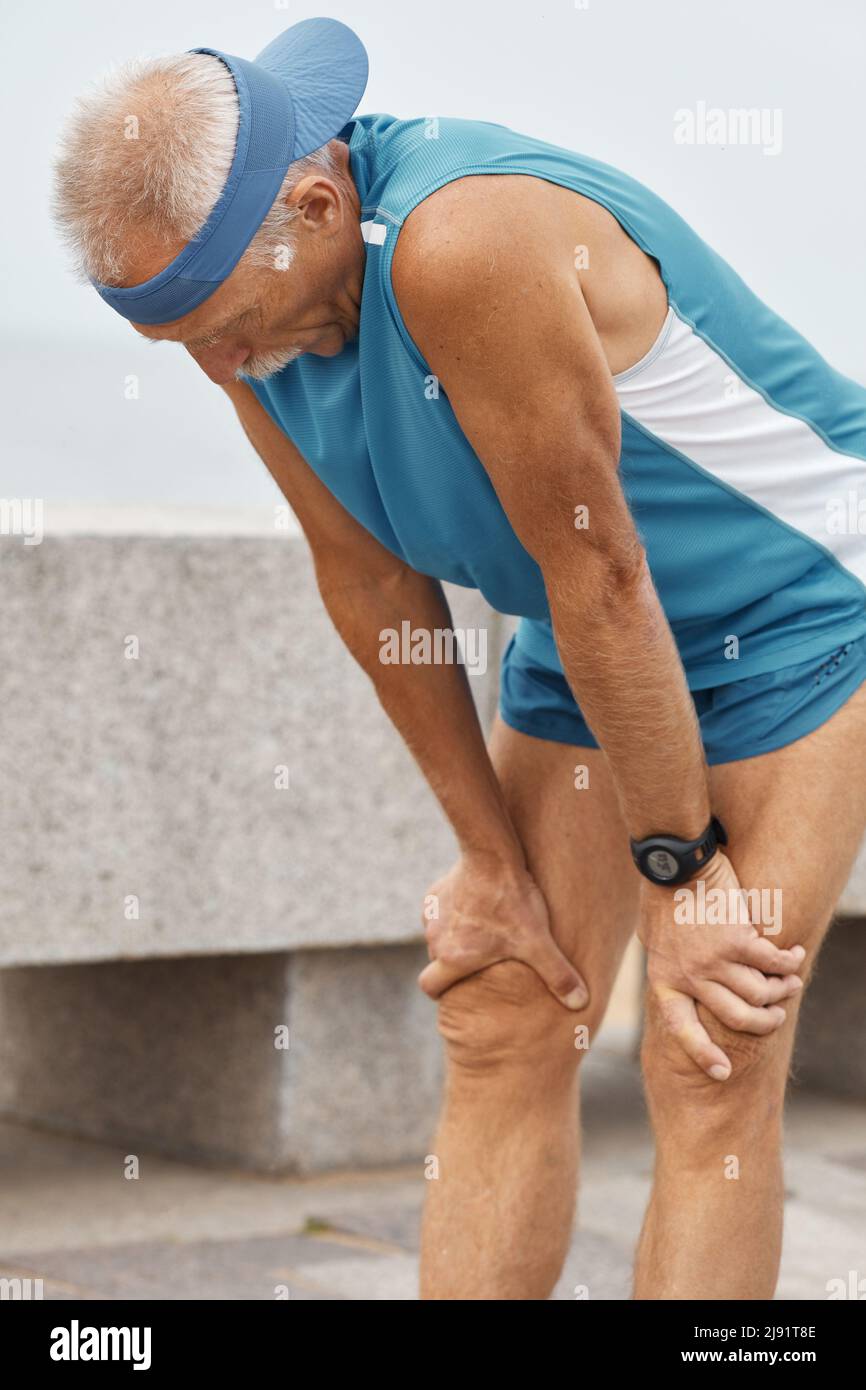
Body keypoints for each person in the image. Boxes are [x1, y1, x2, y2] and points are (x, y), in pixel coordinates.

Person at [53, 17, 866, 1299]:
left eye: (229, 326)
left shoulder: (460, 243)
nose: (219, 368)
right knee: (500, 1007)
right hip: (592, 640)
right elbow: (371, 579)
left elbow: (602, 571)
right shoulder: (246, 301)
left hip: (799, 609)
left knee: (707, 1045)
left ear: (317, 203)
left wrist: (681, 873)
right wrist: (490, 858)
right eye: (187, 346)